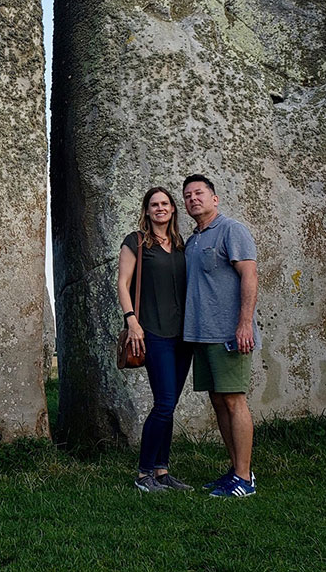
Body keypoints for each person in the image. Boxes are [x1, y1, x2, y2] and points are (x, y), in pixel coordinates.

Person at [181, 174, 260, 498]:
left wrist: (244, 323)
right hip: (201, 334)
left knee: (233, 399)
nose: (193, 199)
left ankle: (245, 478)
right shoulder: (193, 240)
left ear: (215, 199)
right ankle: (234, 470)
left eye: (199, 193)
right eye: (187, 196)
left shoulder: (231, 230)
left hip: (228, 333)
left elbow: (250, 275)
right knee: (218, 400)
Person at [117, 186, 193, 493]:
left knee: (169, 405)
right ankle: (143, 475)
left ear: (173, 209)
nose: (160, 208)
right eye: (154, 204)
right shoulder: (135, 242)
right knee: (163, 404)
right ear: (147, 211)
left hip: (183, 337)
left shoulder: (180, 245)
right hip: (153, 334)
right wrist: (132, 322)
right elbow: (122, 284)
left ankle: (162, 472)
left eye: (165, 203)